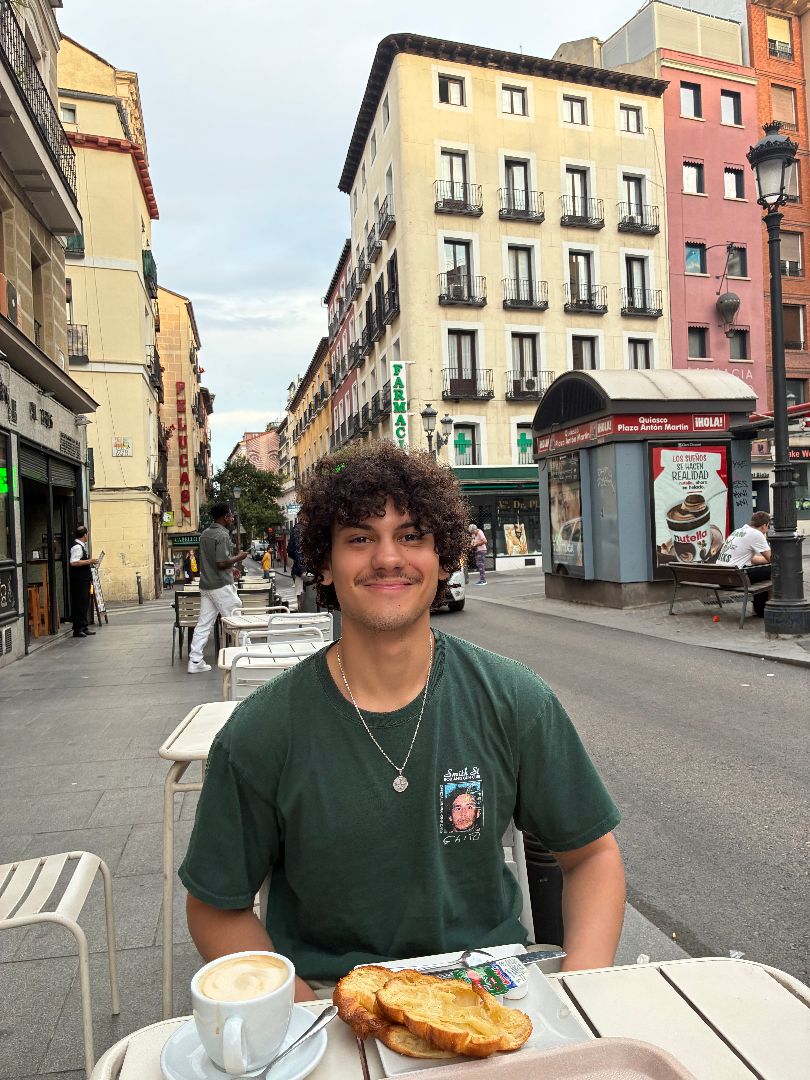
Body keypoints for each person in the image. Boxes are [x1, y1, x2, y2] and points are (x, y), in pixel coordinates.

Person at [180, 443, 625, 1002]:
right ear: (324, 561)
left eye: (412, 536)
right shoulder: (261, 732)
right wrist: (308, 1017)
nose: (388, 558)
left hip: (492, 998)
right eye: (360, 538)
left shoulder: (515, 700)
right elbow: (215, 906)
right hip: (334, 1004)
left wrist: (580, 993)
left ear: (443, 557)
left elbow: (591, 855)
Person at [187, 503, 247, 673]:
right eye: (230, 515)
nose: (232, 518)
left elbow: (211, 561)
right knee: (237, 620)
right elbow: (220, 563)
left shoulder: (205, 534)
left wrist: (231, 568)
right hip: (221, 586)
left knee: (203, 624)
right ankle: (248, 655)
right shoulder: (222, 535)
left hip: (206, 585)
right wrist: (239, 557)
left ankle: (195, 660)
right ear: (225, 517)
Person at [716, 511, 772, 616]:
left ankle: (760, 609)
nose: (767, 530)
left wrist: (767, 562)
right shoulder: (756, 534)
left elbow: (753, 560)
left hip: (722, 577)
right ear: (764, 525)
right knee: (774, 570)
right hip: (736, 577)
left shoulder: (738, 531)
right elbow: (772, 559)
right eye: (768, 526)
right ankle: (772, 610)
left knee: (763, 570)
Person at [69, 524, 97, 638]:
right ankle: (78, 629)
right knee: (80, 604)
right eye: (87, 534)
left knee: (84, 604)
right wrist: (89, 561)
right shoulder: (77, 547)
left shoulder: (81, 546)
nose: (88, 536)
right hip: (79, 581)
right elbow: (73, 562)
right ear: (84, 535)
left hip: (83, 580)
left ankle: (83, 627)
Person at [287, 522, 305, 610]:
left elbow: (290, 550)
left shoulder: (297, 528)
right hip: (318, 570)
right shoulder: (318, 525)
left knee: (299, 594)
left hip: (300, 569)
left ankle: (301, 611)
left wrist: (298, 560)